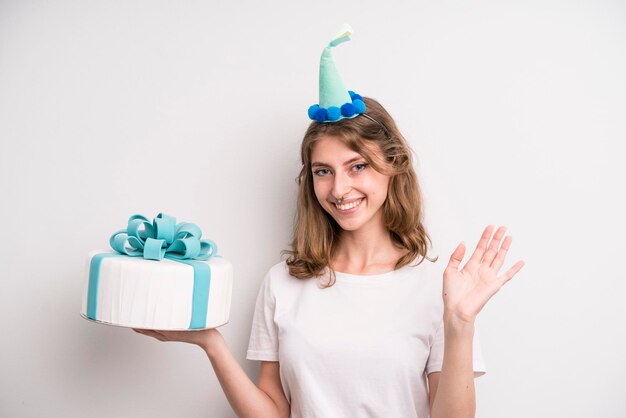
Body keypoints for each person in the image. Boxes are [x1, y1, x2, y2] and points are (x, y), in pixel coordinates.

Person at [134, 25, 524, 418]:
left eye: (357, 166)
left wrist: (459, 324)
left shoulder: (438, 290)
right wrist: (212, 344)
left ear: (392, 166)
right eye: (323, 171)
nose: (339, 189)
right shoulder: (283, 283)